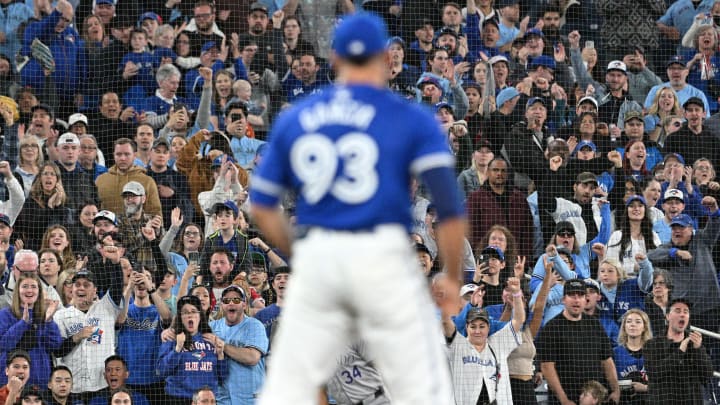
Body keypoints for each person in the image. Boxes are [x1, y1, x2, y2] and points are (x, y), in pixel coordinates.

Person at [249, 14, 465, 404]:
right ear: (385, 57)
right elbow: (450, 208)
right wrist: (451, 274)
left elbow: (261, 206)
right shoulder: (410, 117)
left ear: (333, 58)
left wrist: (299, 253)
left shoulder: (296, 117)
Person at [535, 279, 621, 404]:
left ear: (585, 299)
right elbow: (547, 367)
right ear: (563, 299)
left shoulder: (595, 324)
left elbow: (607, 360)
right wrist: (564, 400)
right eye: (572, 295)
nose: (576, 300)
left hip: (594, 399)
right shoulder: (551, 328)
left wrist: (615, 389)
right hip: (566, 399)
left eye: (580, 295)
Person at [442, 277, 526, 404]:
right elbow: (446, 324)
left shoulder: (498, 344)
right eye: (473, 326)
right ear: (466, 327)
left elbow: (518, 320)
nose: (477, 331)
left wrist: (517, 293)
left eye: (482, 326)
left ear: (489, 327)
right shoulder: (458, 344)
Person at [156, 295, 228, 401]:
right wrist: (177, 349)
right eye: (185, 312)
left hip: (205, 400)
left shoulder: (211, 340)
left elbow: (223, 378)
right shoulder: (171, 338)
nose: (190, 315)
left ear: (200, 316)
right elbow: (161, 371)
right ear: (180, 317)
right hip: (177, 398)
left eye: (193, 311)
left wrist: (221, 355)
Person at [644, 298, 713, 404]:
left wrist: (698, 350)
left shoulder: (695, 345)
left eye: (686, 312)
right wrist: (680, 351)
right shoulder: (653, 344)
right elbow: (654, 373)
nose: (682, 314)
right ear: (667, 316)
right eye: (677, 311)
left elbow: (707, 375)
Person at [210, 285, 268, 405]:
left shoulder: (255, 326)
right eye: (226, 300)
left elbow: (252, 357)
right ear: (222, 305)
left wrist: (223, 346)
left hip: (250, 399)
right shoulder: (212, 327)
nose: (231, 303)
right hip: (222, 399)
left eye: (236, 300)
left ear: (244, 304)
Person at [0, 273, 61, 386]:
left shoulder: (44, 316)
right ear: (17, 291)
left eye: (33, 287)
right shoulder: (5, 314)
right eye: (25, 286)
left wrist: (48, 320)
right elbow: (3, 344)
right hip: (9, 382)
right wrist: (23, 323)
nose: (29, 290)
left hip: (39, 380)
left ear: (39, 292)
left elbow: (55, 345)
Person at [613, 309, 651, 404]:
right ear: (624, 327)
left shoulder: (653, 352)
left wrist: (645, 388)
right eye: (629, 321)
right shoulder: (615, 353)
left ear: (644, 327)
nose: (632, 324)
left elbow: (663, 384)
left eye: (638, 322)